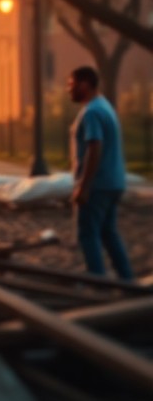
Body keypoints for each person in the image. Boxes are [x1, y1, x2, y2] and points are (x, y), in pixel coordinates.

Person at [68, 66, 133, 280]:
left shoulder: (92, 112)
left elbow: (94, 147)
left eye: (72, 85)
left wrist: (84, 187)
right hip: (114, 182)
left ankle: (98, 283)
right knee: (108, 232)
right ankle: (127, 281)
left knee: (87, 234)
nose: (69, 90)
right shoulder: (105, 106)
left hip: (98, 185)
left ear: (85, 84)